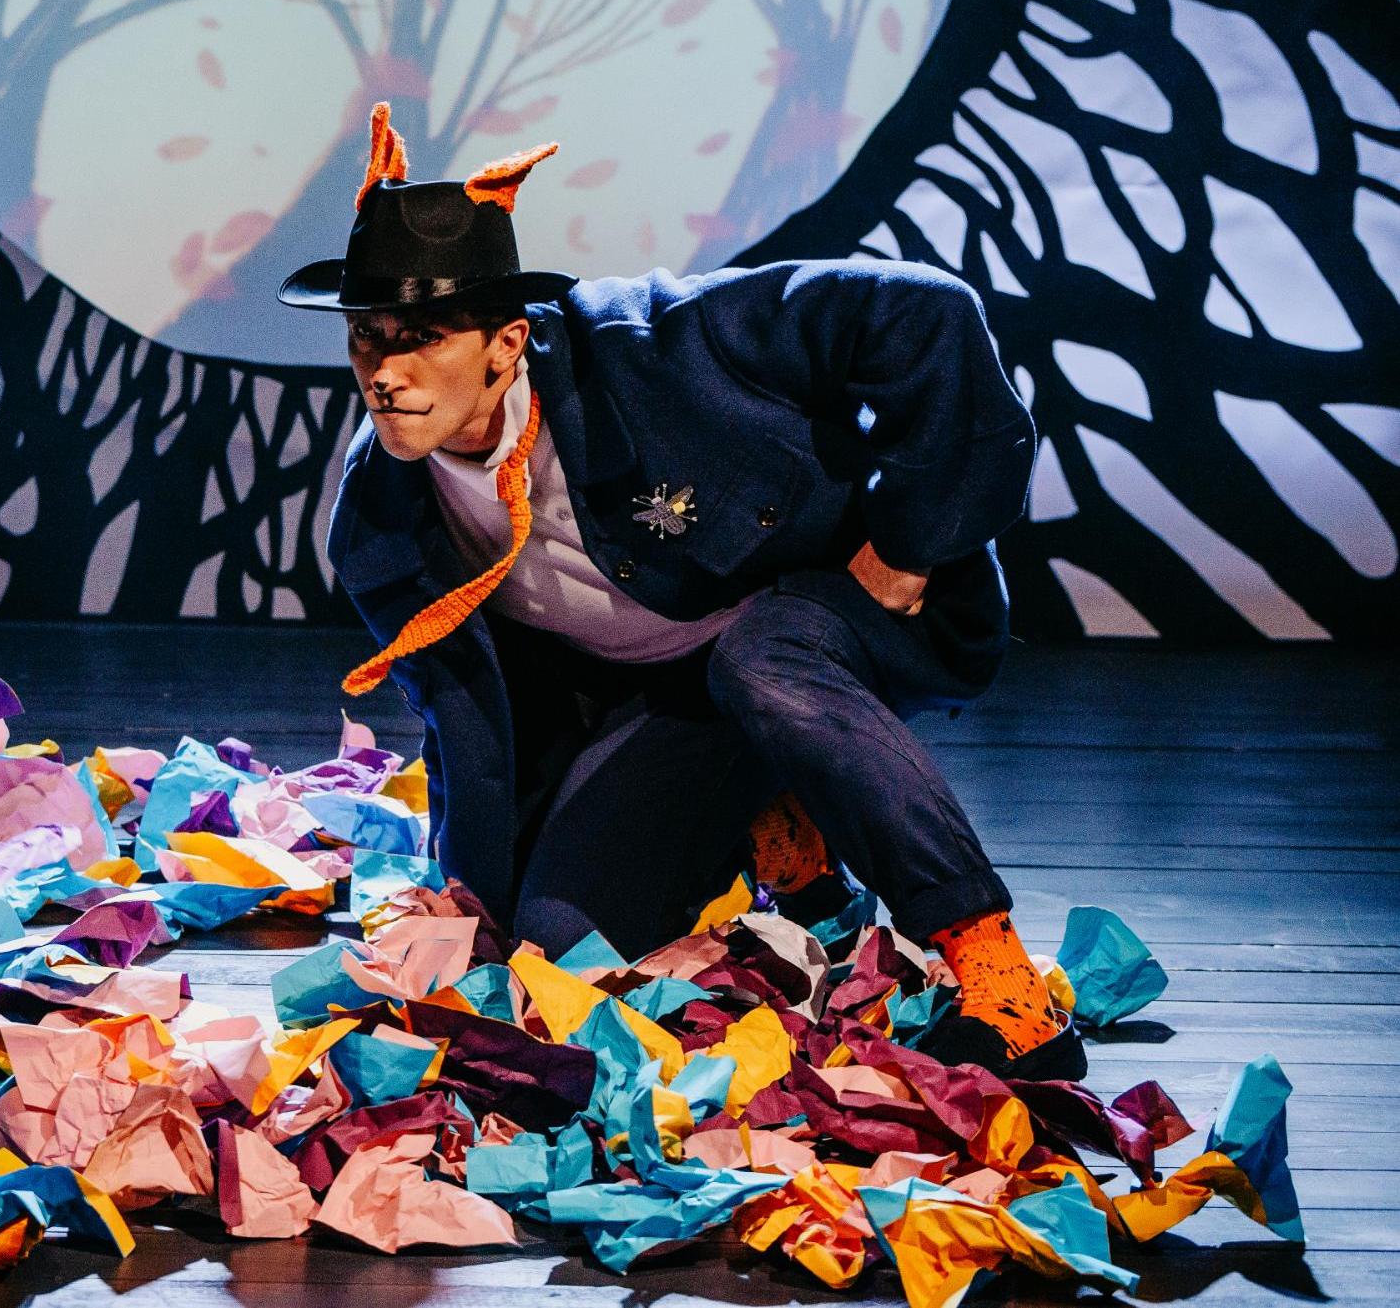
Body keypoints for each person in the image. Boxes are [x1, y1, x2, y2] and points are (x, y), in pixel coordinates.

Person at [292, 105, 1084, 1080]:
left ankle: (1000, 981)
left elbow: (927, 311)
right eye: (366, 338)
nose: (385, 372)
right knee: (559, 946)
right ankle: (781, 829)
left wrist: (910, 545)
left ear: (504, 343)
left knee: (763, 654)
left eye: (422, 337)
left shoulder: (654, 348)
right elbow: (471, 728)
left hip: (844, 621)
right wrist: (480, 912)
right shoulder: (377, 526)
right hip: (675, 695)